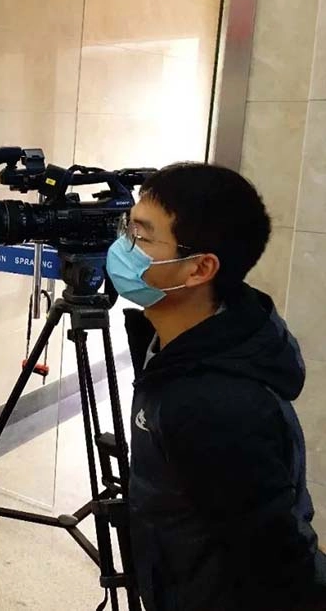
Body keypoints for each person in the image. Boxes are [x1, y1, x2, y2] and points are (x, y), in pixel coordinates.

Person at [106, 162, 326, 611]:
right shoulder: (173, 345)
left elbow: (281, 565)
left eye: (141, 237)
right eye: (127, 229)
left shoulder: (216, 403)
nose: (122, 247)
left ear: (199, 268)